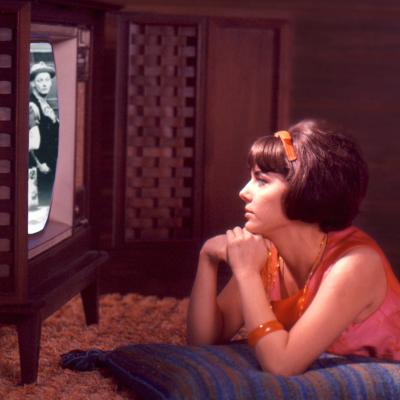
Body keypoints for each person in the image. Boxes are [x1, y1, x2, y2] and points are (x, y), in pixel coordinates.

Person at [187, 119, 400, 376]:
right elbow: (203, 343)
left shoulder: (355, 264)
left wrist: (246, 274)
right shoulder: (268, 254)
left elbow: (282, 365)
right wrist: (207, 259)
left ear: (308, 188)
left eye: (262, 180)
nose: (244, 192)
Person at [29, 61, 59, 205]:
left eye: (47, 80)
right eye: (40, 80)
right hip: (42, 167)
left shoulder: (46, 104)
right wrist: (40, 164)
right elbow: (30, 141)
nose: (45, 84)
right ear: (33, 84)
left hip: (52, 164)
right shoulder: (32, 106)